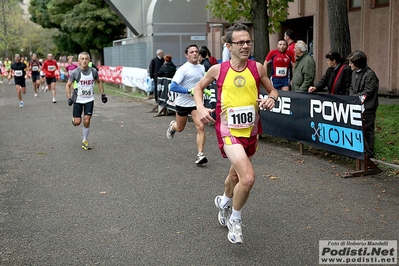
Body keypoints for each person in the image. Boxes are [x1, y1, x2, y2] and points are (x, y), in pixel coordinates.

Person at [193, 23, 278, 244]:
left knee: (234, 176)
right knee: (248, 178)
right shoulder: (218, 69)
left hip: (251, 132)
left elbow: (273, 90)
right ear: (228, 46)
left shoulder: (258, 68)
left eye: (248, 41)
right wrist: (201, 108)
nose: (245, 46)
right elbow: (198, 88)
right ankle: (236, 219)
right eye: (240, 42)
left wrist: (272, 98)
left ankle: (223, 201)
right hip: (227, 130)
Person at [165, 44, 211, 165]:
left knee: (201, 127)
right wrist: (188, 91)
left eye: (196, 51)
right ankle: (173, 126)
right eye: (191, 52)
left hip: (196, 103)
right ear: (186, 55)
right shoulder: (183, 69)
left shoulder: (201, 68)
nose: (195, 54)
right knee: (180, 128)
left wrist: (204, 90)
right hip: (182, 103)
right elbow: (173, 86)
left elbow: (202, 83)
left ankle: (200, 154)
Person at [65, 51, 107, 150]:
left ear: (89, 60)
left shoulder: (93, 71)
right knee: (77, 122)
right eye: (82, 59)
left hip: (89, 99)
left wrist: (103, 94)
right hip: (78, 99)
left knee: (87, 120)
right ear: (79, 61)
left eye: (86, 59)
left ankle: (85, 140)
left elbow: (99, 82)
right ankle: (74, 120)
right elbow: (68, 85)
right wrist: (69, 98)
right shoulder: (76, 72)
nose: (84, 61)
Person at [347, 50, 379, 159]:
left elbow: (368, 92)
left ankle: (369, 155)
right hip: (357, 105)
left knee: (367, 131)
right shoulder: (354, 73)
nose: (349, 65)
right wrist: (353, 98)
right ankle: (359, 152)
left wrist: (356, 98)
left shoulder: (370, 75)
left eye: (351, 63)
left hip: (368, 107)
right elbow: (351, 87)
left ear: (357, 63)